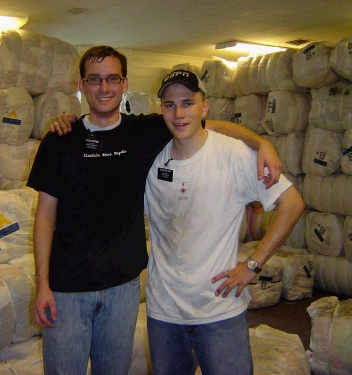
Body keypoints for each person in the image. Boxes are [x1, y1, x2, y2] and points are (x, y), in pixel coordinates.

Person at [27, 46, 282, 375]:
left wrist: (263, 144)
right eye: (95, 79)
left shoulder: (145, 131)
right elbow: (45, 218)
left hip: (123, 288)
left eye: (112, 79)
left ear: (125, 84)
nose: (104, 88)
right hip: (66, 289)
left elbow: (205, 125)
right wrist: (43, 286)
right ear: (81, 85)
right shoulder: (60, 140)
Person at [143, 69, 305, 375]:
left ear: (204, 108)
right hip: (164, 312)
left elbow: (292, 204)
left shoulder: (234, 155)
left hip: (218, 309)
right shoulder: (151, 155)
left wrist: (253, 265)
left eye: (188, 103)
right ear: (161, 108)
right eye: (169, 104)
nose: (179, 113)